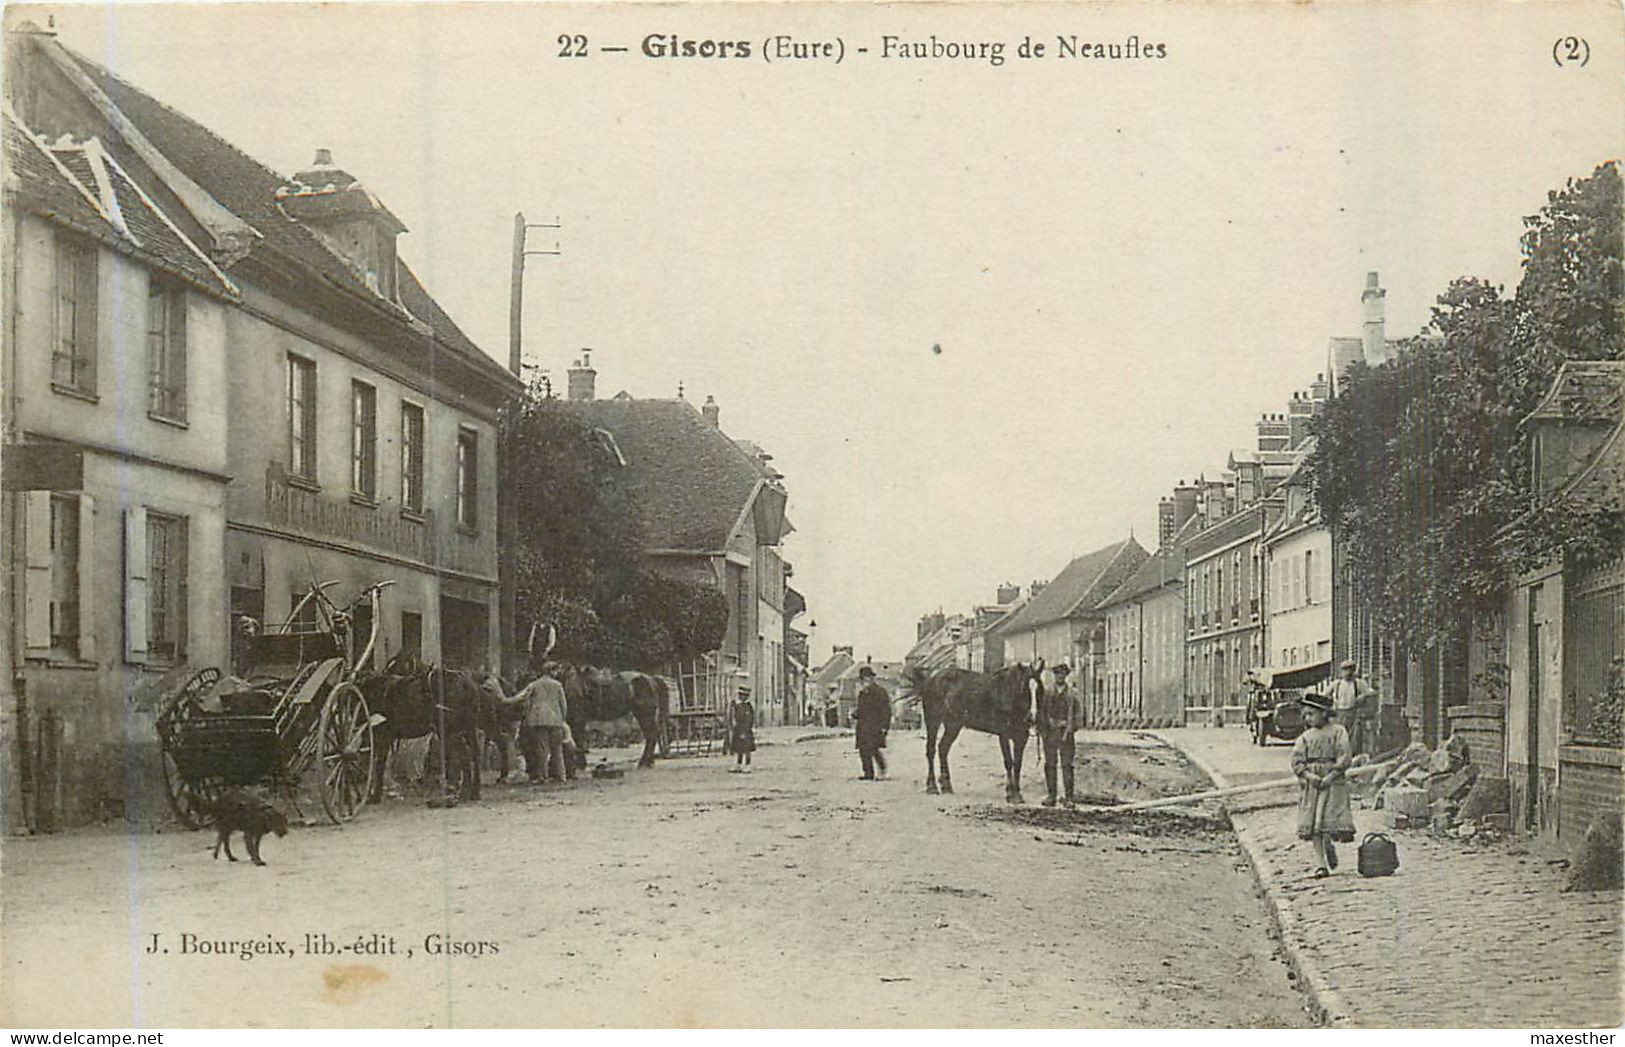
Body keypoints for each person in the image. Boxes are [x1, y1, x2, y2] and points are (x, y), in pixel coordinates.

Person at [1292, 690, 1355, 878]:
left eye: (1311, 714)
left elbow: (1344, 755)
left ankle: (1328, 844)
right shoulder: (1306, 737)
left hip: (1333, 781)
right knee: (1313, 823)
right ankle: (1321, 864)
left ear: (1325, 713)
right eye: (1306, 714)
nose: (1308, 718)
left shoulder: (1338, 732)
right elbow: (1296, 760)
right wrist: (1308, 775)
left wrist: (1332, 775)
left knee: (1328, 818)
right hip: (1313, 782)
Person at [504, 662, 570, 783]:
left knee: (542, 749)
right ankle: (561, 775)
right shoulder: (558, 685)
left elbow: (521, 697)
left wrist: (505, 700)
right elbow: (563, 704)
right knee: (557, 749)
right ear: (552, 671)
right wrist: (562, 718)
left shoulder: (534, 684)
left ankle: (543, 776)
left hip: (538, 720)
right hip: (556, 719)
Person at [1039, 662, 1084, 806]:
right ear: (1054, 676)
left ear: (1066, 676)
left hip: (1066, 734)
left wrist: (1071, 726)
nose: (1060, 677)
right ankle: (1051, 796)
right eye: (1057, 674)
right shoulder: (1047, 693)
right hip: (1050, 733)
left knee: (1067, 765)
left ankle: (1069, 798)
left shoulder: (1072, 694)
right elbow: (1042, 712)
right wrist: (1046, 724)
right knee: (1050, 764)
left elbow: (1079, 714)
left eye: (1062, 674)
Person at [1326, 658, 1377, 757]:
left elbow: (1372, 693)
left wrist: (1363, 696)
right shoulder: (1336, 684)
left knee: (1354, 738)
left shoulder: (1358, 683)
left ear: (1354, 671)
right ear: (1341, 671)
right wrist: (1331, 703)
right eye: (1345, 670)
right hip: (1338, 714)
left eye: (1351, 670)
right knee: (1338, 737)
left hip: (1353, 714)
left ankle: (1352, 758)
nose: (1348, 672)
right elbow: (1324, 695)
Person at [854, 666, 891, 780]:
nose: (866, 681)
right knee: (863, 750)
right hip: (863, 726)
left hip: (875, 726)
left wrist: (885, 726)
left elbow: (886, 710)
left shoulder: (880, 692)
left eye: (868, 678)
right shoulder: (863, 693)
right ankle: (868, 773)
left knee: (873, 748)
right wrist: (855, 714)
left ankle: (882, 769)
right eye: (863, 679)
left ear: (872, 679)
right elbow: (861, 710)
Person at [729, 684, 757, 773]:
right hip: (738, 729)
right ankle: (739, 764)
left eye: (743, 695)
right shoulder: (738, 706)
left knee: (746, 749)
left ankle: (747, 765)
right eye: (740, 695)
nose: (741, 697)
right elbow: (735, 716)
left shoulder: (748, 707)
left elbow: (749, 720)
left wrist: (745, 731)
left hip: (746, 730)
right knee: (739, 749)